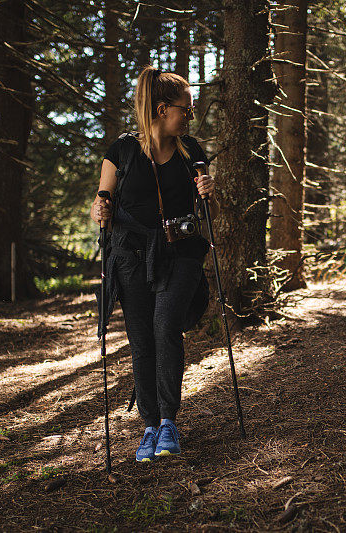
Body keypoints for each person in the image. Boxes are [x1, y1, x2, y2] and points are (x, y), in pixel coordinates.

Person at [90, 66, 217, 462]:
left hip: (180, 253)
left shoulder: (191, 152)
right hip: (130, 257)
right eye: (186, 110)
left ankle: (168, 422)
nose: (189, 117)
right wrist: (99, 210)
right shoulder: (122, 151)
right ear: (163, 109)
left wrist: (208, 192)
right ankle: (149, 426)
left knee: (165, 329)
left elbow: (207, 207)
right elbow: (103, 203)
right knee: (142, 340)